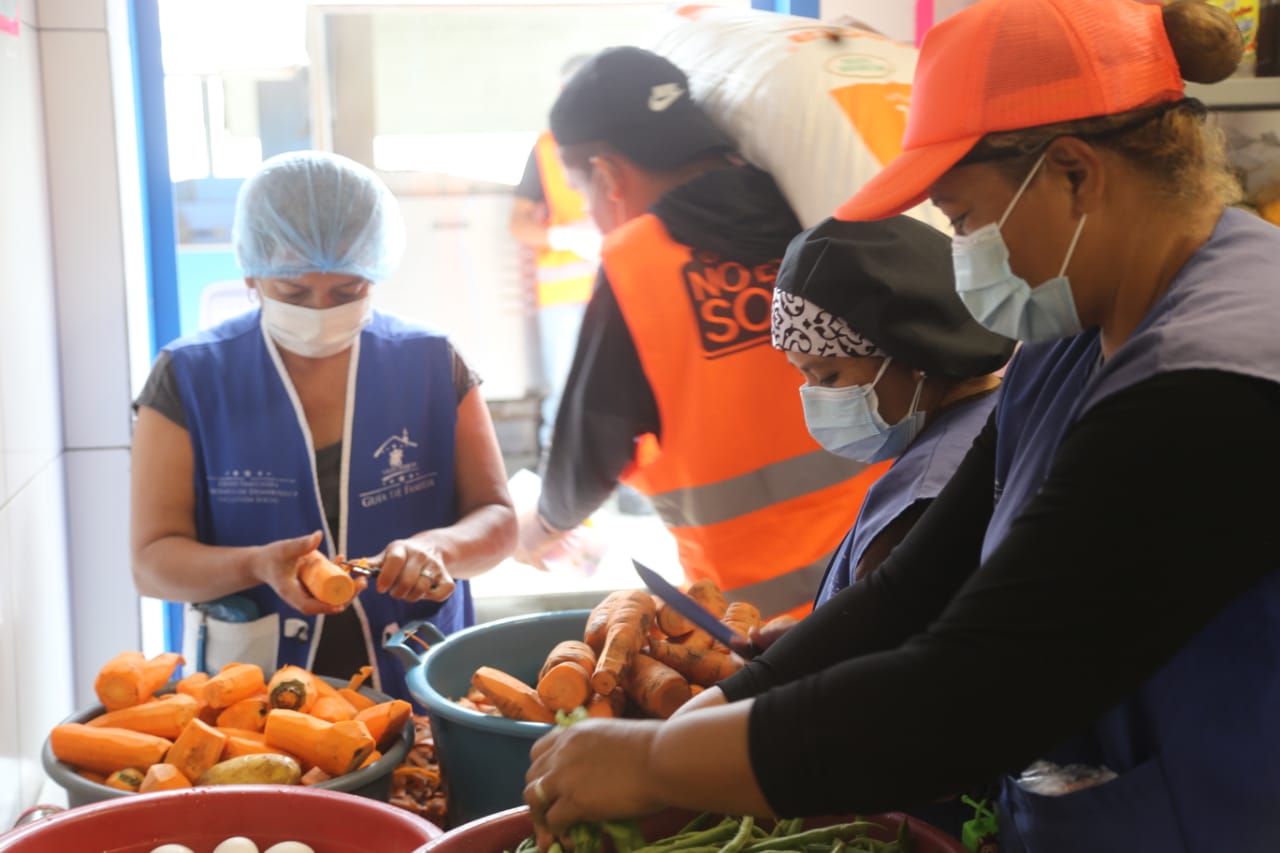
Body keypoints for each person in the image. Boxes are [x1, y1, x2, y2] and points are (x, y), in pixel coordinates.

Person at [519, 2, 1280, 851]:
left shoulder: (1215, 380)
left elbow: (975, 684)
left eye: (960, 219)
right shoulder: (1073, 337)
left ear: (1073, 172)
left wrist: (661, 761)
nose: (959, 254)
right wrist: (724, 702)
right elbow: (915, 586)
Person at [512, 47, 886, 620]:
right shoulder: (810, 204)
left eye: (582, 193)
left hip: (758, 618)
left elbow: (594, 438)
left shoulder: (637, 265)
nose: (591, 212)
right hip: (891, 561)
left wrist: (541, 526)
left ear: (608, 175)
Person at [131, 151, 517, 704]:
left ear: (375, 272)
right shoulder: (191, 375)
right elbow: (153, 562)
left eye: (346, 292)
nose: (320, 310)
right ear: (250, 272)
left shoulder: (431, 362)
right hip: (256, 691)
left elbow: (498, 519)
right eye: (292, 292)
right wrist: (254, 565)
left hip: (421, 673)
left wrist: (439, 548)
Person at [771, 215, 1013, 606]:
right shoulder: (1002, 408)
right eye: (803, 376)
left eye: (827, 377)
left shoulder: (927, 500)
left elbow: (876, 648)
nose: (812, 397)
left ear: (913, 355)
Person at [509, 54, 602, 453]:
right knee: (564, 392)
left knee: (621, 383)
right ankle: (558, 481)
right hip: (564, 293)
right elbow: (518, 225)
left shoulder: (633, 141)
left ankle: (631, 484)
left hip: (618, 283)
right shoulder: (547, 148)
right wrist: (565, 236)